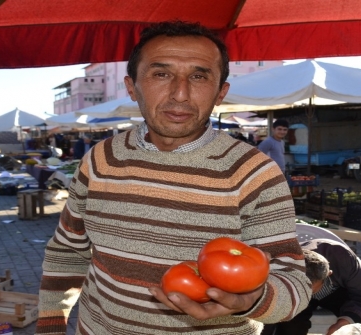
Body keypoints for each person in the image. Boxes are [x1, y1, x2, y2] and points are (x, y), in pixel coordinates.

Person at [36, 21, 310, 335]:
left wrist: (254, 299)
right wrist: (50, 325)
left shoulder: (254, 173)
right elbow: (68, 251)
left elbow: (294, 284)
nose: (180, 93)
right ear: (131, 87)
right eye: (161, 74)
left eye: (199, 75)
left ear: (221, 92)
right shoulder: (100, 160)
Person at [262, 239, 361, 335]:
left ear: (328, 274)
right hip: (295, 296)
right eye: (305, 289)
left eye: (312, 289)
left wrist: (343, 323)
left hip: (337, 293)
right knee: (291, 326)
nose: (309, 293)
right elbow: (268, 308)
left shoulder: (341, 257)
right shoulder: (284, 264)